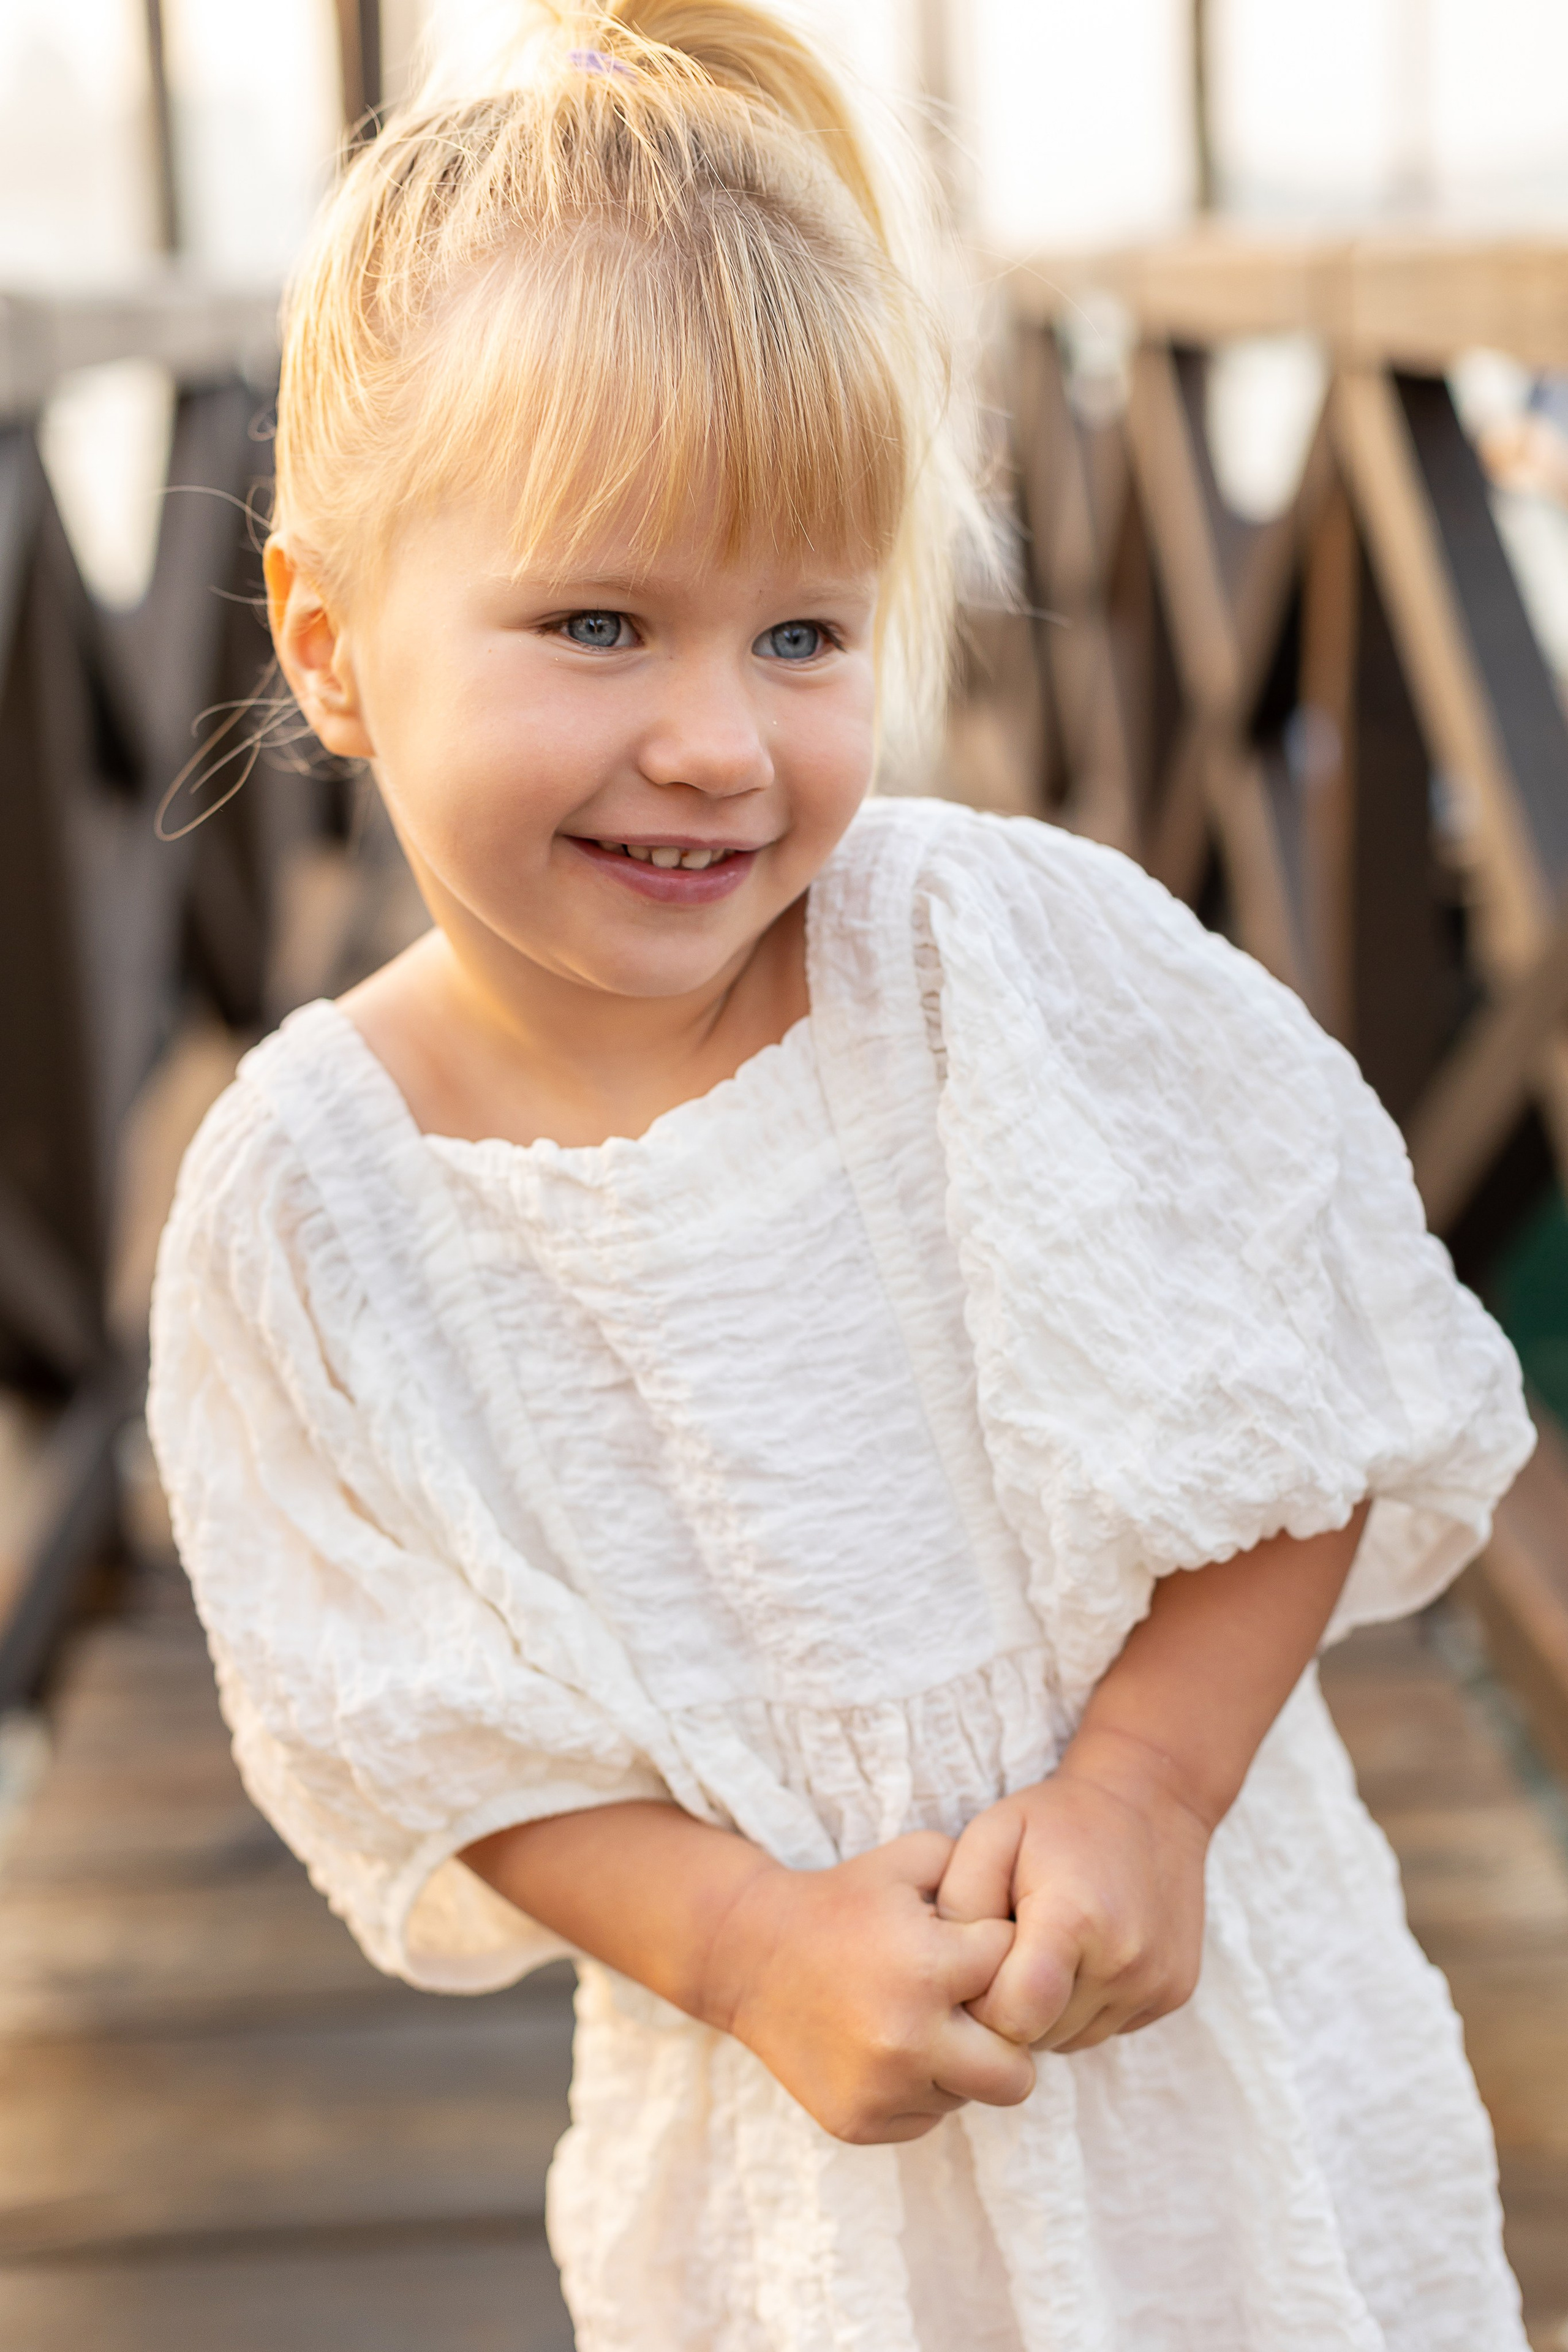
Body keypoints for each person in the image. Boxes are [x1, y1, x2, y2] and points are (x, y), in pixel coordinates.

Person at [147, 5, 1536, 2345]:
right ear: (332, 641)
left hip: (1210, 2043)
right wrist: (745, 1942)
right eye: (600, 624)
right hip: (785, 2137)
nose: (713, 738)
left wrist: (1149, 1792)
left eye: (804, 633)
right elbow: (404, 1717)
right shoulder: (314, 1200)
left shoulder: (988, 960)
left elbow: (1304, 1385)